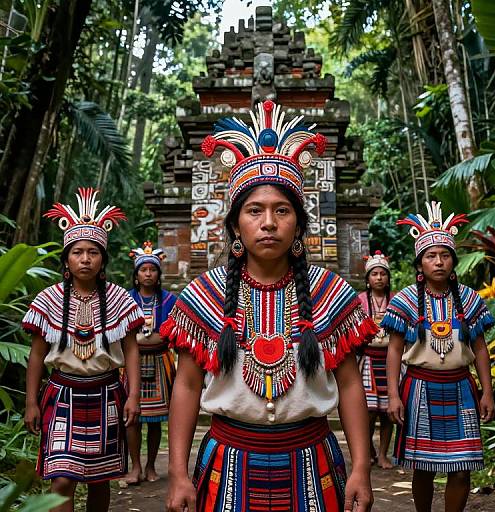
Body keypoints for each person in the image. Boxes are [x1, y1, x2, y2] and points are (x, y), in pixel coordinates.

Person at [161, 100, 376, 512]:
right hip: (228, 463)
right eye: (254, 211)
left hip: (313, 461)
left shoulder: (331, 294)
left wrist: (362, 468)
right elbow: (186, 386)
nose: (269, 223)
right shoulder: (203, 295)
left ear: (298, 223)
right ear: (236, 225)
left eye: (282, 211)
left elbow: (350, 385)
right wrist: (177, 473)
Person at [22, 188, 144, 512]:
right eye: (77, 252)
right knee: (61, 478)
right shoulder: (48, 300)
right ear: (67, 259)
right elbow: (36, 355)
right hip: (62, 393)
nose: (85, 259)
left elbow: (131, 349)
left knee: (99, 479)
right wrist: (31, 401)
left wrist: (133, 396)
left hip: (106, 393)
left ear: (103, 258)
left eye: (93, 252)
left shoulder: (120, 299)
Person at [382, 201, 495, 512]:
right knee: (424, 466)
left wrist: (487, 391)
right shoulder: (404, 300)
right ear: (421, 263)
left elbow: (481, 348)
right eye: (431, 256)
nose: (439, 262)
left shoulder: (470, 299)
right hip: (419, 388)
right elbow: (394, 350)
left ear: (453, 261)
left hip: (461, 388)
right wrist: (393, 395)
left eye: (445, 255)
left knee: (462, 465)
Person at [123, 241, 176, 484]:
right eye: (143, 270)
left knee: (155, 420)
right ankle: (135, 466)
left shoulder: (169, 301)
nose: (147, 274)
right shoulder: (125, 300)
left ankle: (151, 465)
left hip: (159, 363)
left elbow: (170, 333)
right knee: (132, 417)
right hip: (131, 366)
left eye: (152, 270)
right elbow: (122, 335)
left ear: (158, 274)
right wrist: (149, 339)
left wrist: (144, 340)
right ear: (136, 275)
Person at [358, 251, 394, 469]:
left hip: (390, 361)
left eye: (382, 274)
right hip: (368, 360)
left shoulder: (397, 300)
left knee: (388, 412)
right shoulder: (360, 301)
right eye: (375, 274)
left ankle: (382, 454)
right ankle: (369, 449)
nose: (379, 277)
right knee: (369, 411)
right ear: (368, 279)